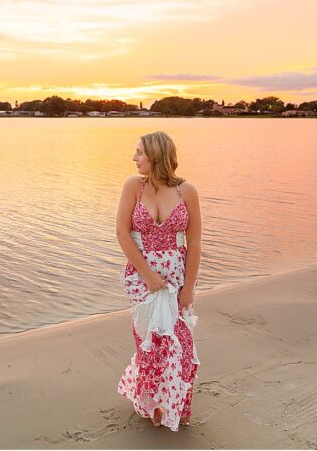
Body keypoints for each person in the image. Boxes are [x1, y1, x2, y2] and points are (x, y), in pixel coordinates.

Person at [116, 131, 201, 431]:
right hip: (141, 280)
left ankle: (176, 402)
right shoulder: (134, 187)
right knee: (151, 344)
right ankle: (155, 403)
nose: (134, 158)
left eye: (139, 152)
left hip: (177, 279)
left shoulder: (186, 191)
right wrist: (149, 276)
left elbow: (194, 241)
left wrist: (188, 287)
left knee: (182, 344)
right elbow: (122, 234)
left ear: (156, 155)